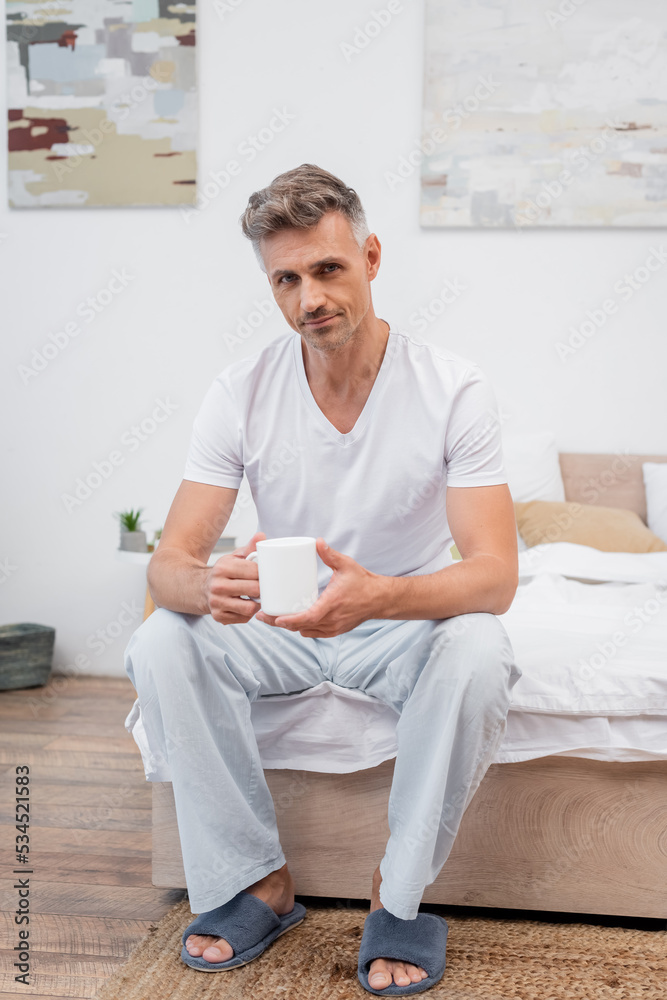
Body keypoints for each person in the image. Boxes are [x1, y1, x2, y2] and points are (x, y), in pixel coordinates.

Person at [124, 163, 522, 996]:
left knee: (480, 649)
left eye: (328, 269)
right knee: (164, 639)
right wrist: (205, 588)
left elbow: (492, 576)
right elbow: (170, 562)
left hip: (401, 621)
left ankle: (397, 896)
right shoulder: (240, 391)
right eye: (287, 279)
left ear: (370, 258)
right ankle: (257, 883)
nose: (310, 297)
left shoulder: (454, 389)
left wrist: (378, 596)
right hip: (281, 625)